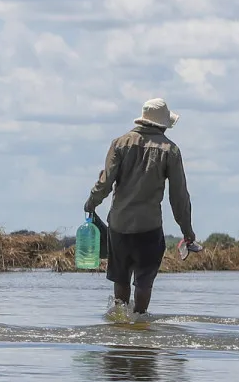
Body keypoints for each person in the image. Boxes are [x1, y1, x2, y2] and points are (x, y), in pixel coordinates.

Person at [83, 98, 195, 319]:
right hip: (149, 227)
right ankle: (140, 323)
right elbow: (178, 196)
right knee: (144, 281)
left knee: (121, 279)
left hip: (119, 225)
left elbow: (105, 183)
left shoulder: (120, 143)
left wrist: (91, 203)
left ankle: (121, 325)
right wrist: (187, 230)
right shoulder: (170, 150)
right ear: (163, 124)